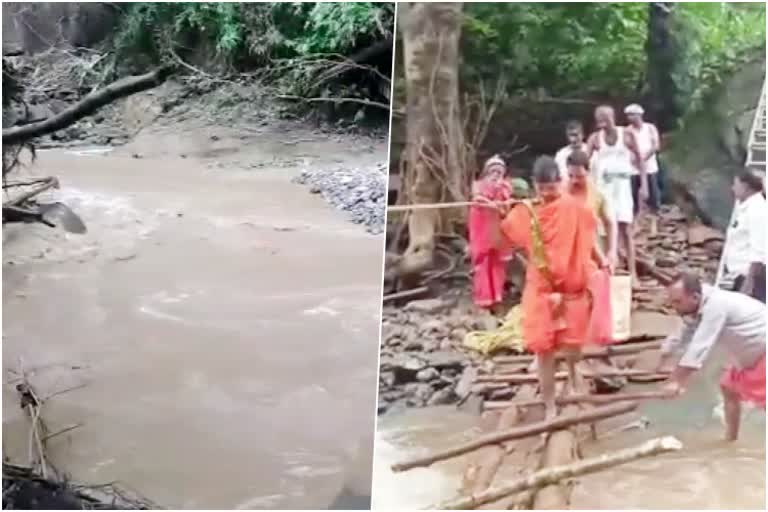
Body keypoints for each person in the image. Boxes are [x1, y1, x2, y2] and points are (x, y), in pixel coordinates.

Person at [500, 156, 599, 418]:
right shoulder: (528, 211)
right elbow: (507, 230)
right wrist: (497, 207)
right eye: (542, 188)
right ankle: (550, 404)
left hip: (571, 289)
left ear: (560, 182)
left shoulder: (574, 208)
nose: (547, 193)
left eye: (552, 187)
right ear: (535, 185)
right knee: (543, 349)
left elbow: (590, 231)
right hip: (541, 290)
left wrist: (603, 263)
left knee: (573, 347)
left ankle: (575, 373)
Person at [657, 273, 765, 441]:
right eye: (672, 301)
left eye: (677, 302)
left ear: (695, 296)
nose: (674, 306)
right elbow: (683, 333)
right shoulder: (695, 305)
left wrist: (676, 380)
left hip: (762, 350)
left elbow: (700, 346)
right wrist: (664, 356)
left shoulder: (716, 306)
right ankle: (730, 439)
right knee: (729, 389)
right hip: (749, 355)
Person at [587, 105, 647, 285]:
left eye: (606, 117)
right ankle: (609, 269)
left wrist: (644, 185)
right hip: (604, 187)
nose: (603, 121)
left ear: (613, 117)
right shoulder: (595, 139)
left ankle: (633, 272)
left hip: (622, 186)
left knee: (626, 230)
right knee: (606, 229)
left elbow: (640, 159)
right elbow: (584, 160)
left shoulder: (626, 135)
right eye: (599, 118)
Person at [469, 156, 513, 310]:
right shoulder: (478, 185)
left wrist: (500, 206)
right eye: (493, 171)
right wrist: (493, 205)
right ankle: (484, 298)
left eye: (499, 172)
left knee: (498, 263)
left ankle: (497, 295)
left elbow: (506, 207)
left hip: (497, 228)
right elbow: (478, 198)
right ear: (486, 172)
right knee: (483, 262)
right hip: (482, 227)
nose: (495, 175)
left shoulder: (505, 187)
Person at [566, 149, 618, 272]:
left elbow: (610, 223)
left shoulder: (597, 194)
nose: (574, 181)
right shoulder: (562, 192)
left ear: (588, 172)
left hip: (592, 252)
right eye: (571, 176)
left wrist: (612, 250)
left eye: (579, 176)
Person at [624, 104, 662, 236]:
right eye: (628, 115)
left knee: (653, 196)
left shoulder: (650, 128)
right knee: (633, 196)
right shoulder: (627, 130)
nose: (630, 117)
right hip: (633, 168)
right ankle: (636, 224)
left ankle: (653, 225)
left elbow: (656, 145)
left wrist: (644, 157)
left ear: (640, 115)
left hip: (650, 167)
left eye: (633, 114)